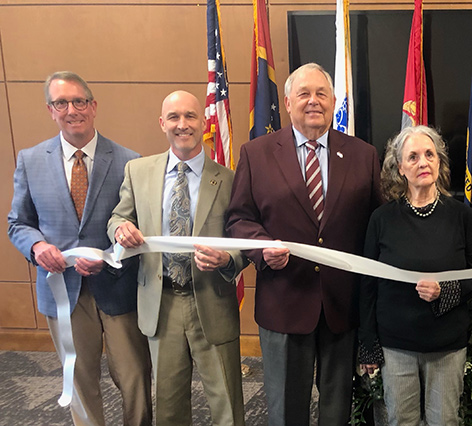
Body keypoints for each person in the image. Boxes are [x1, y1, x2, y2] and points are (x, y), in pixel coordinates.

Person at [226, 62, 382, 426]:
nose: (313, 101)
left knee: (337, 408)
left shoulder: (363, 155)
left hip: (342, 306)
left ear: (333, 102)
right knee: (285, 409)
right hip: (283, 302)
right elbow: (239, 219)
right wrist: (261, 248)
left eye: (321, 94)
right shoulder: (256, 153)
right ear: (287, 102)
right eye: (304, 94)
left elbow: (377, 225)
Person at [7, 71, 151, 426]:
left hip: (118, 289)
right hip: (61, 291)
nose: (72, 109)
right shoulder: (30, 160)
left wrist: (112, 254)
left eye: (79, 101)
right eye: (61, 103)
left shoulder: (129, 161)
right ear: (50, 110)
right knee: (80, 378)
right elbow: (17, 223)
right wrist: (37, 245)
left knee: (134, 378)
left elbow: (139, 227)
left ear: (93, 106)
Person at [107, 91, 248, 425]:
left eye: (190, 116)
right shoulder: (137, 172)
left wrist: (227, 259)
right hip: (161, 303)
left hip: (212, 300)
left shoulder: (229, 180)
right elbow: (117, 218)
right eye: (174, 117)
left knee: (227, 404)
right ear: (162, 124)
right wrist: (120, 229)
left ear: (204, 122)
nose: (182, 125)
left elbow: (244, 241)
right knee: (168, 407)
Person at [358, 126, 472, 426]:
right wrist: (368, 341)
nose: (423, 162)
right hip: (396, 344)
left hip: (446, 344)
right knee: (401, 421)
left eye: (430, 154)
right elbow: (367, 284)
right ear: (400, 167)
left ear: (439, 162)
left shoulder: (461, 215)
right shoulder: (381, 219)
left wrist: (446, 290)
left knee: (444, 421)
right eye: (413, 157)